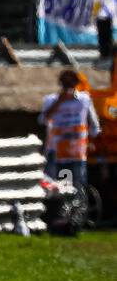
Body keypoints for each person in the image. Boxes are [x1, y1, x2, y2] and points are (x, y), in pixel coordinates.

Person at [39, 68, 101, 198]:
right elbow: (42, 120)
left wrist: (92, 141)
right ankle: (58, 214)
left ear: (76, 84)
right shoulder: (51, 100)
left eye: (71, 85)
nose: (69, 88)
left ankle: (78, 215)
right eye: (66, 85)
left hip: (77, 153)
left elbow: (94, 125)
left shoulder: (84, 99)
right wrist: (59, 101)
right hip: (56, 153)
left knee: (78, 187)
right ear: (61, 84)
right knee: (56, 186)